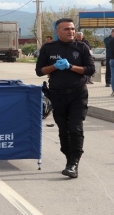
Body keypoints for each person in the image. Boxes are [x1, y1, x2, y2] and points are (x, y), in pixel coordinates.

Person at [36, 18, 95, 179]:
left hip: (78, 93)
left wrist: (71, 67)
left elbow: (90, 69)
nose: (71, 32)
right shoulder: (48, 48)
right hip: (57, 94)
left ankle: (73, 162)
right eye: (66, 29)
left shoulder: (82, 47)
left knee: (75, 128)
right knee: (63, 129)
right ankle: (69, 159)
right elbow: (39, 71)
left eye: (72, 29)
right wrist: (55, 66)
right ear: (57, 31)